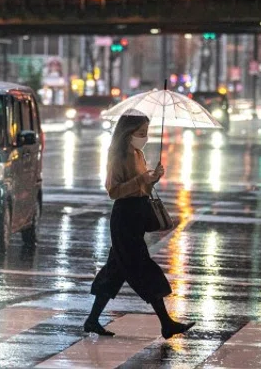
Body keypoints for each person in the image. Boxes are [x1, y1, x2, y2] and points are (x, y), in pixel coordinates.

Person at [83, 112, 195, 339]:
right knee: (141, 266)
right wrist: (141, 180)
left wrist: (153, 177)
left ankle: (92, 320)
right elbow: (113, 191)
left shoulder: (139, 154)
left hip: (137, 216)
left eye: (146, 133)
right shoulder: (118, 156)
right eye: (141, 133)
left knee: (116, 269)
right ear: (127, 133)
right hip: (124, 217)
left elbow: (141, 188)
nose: (144, 137)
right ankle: (166, 323)